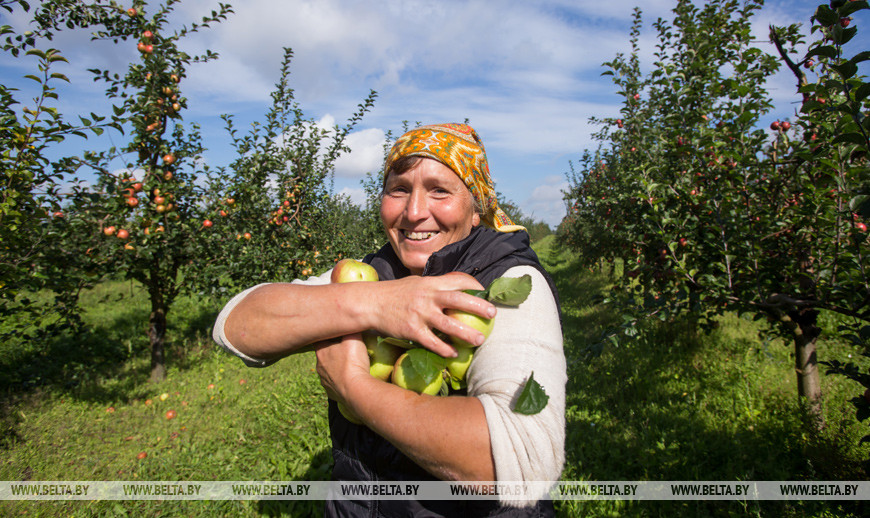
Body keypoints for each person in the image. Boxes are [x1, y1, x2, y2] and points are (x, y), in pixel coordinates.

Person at [212, 123, 566, 516]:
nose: (414, 212)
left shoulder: (509, 283)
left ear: (476, 209)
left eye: (440, 190)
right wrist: (375, 303)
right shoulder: (370, 273)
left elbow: (523, 460)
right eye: (398, 189)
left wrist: (353, 388)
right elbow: (235, 326)